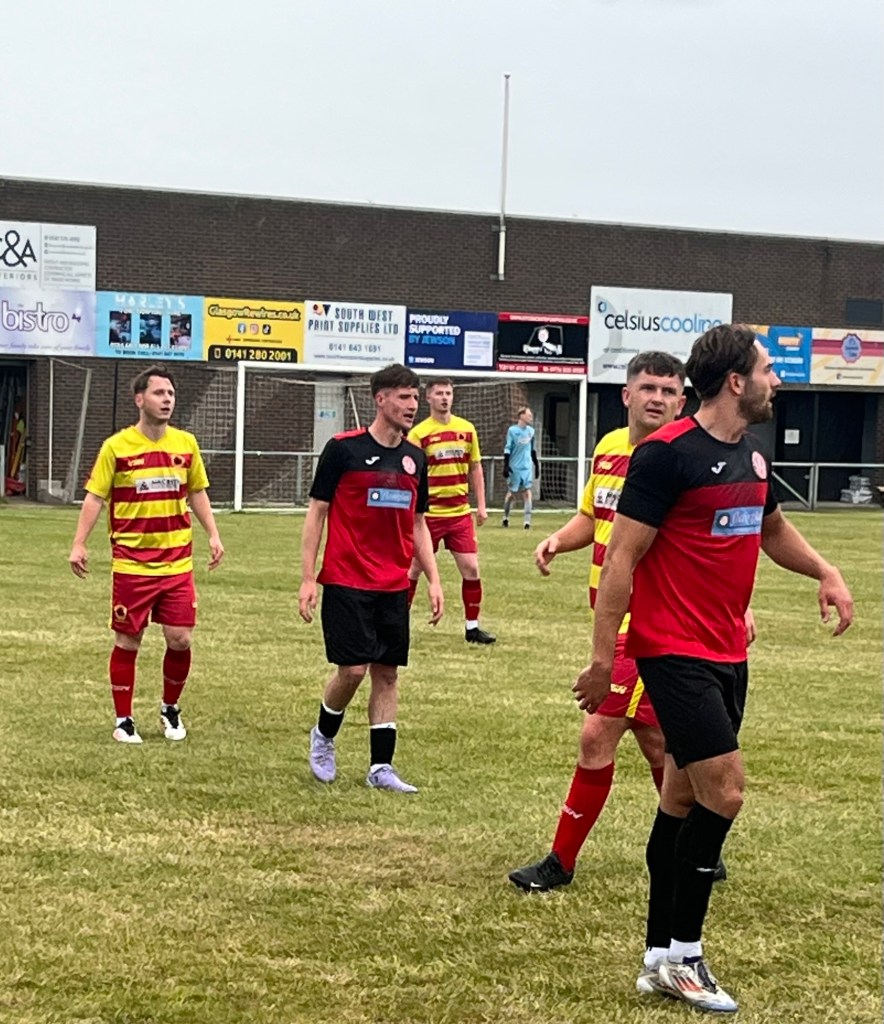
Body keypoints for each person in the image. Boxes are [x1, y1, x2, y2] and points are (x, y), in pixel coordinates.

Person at [574, 325, 854, 1014]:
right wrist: (604, 659)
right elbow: (621, 559)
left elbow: (771, 529)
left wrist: (825, 571)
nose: (775, 381)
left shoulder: (752, 455)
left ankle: (657, 956)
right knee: (725, 792)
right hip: (673, 651)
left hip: (729, 651)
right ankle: (686, 955)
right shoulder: (666, 456)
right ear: (735, 381)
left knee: (680, 800)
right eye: (767, 369)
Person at [508, 351, 735, 890]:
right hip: (615, 620)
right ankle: (701, 845)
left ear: (682, 401)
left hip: (652, 625)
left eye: (668, 390)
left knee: (596, 736)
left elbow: (717, 541)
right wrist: (558, 540)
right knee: (657, 740)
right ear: (626, 395)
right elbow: (594, 516)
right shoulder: (609, 448)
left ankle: (561, 862)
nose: (657, 398)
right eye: (648, 388)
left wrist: (736, 604)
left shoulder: (685, 457)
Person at [299, 363, 444, 793]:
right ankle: (323, 735)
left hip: (393, 584)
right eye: (404, 397)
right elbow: (317, 513)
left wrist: (434, 579)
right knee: (353, 671)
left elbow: (418, 523)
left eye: (415, 397)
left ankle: (381, 767)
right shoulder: (343, 450)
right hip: (346, 579)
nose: (412, 405)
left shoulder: (415, 459)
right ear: (380, 399)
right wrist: (307, 578)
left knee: (387, 673)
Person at [69, 364, 224, 744]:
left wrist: (213, 534)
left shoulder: (185, 444)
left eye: (170, 393)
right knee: (128, 641)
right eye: (159, 393)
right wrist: (79, 542)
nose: (167, 399)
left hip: (177, 562)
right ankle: (124, 720)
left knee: (181, 639)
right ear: (140, 399)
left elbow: (197, 491)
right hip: (132, 564)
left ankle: (170, 709)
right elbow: (95, 497)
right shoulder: (116, 447)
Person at [406, 378, 495, 645]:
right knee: (414, 570)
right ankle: (398, 624)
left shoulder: (466, 429)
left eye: (448, 393)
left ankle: (472, 627)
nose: (444, 398)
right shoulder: (419, 434)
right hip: (429, 516)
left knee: (471, 568)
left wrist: (481, 505)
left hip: (459, 514)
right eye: (439, 393)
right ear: (428, 398)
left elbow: (475, 467)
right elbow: (410, 475)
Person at [502, 407, 538, 529]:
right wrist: (506, 465)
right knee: (511, 494)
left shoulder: (531, 431)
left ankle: (527, 522)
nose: (531, 418)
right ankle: (505, 517)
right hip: (515, 468)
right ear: (521, 416)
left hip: (526, 468)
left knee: (527, 493)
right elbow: (508, 448)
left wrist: (536, 464)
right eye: (529, 415)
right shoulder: (512, 431)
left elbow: (532, 449)